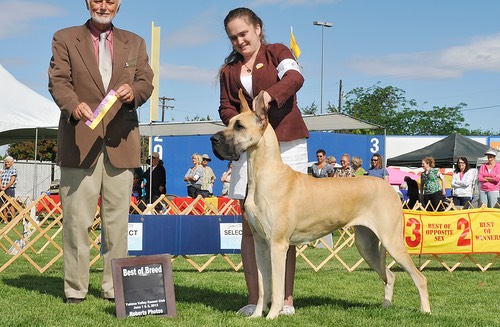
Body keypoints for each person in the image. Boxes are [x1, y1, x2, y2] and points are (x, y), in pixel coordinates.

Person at [48, 0, 154, 304]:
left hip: (122, 143)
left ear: (119, 4)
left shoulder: (136, 42)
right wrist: (72, 105)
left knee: (118, 225)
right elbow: (58, 81)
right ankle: (76, 290)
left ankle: (113, 289)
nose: (103, 5)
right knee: (76, 223)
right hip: (79, 142)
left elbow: (146, 80)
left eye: (110, 0)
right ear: (87, 2)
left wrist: (134, 92)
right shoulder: (64, 37)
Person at [218, 7, 309, 316]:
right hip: (249, 149)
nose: (240, 40)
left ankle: (285, 300)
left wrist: (270, 96)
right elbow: (225, 108)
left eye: (244, 33)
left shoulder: (277, 52)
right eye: (233, 37)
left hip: (287, 142)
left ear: (258, 28)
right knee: (251, 227)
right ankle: (255, 299)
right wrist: (240, 122)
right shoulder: (229, 70)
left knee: (285, 225)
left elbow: (295, 77)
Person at [0, 156, 17, 221]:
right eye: (5, 162)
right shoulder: (3, 171)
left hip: (10, 189)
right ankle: (5, 220)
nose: (6, 163)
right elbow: (0, 179)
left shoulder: (13, 171)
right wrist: (1, 187)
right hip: (2, 188)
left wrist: (5, 187)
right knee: (2, 205)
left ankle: (14, 220)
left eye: (8, 162)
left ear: (12, 163)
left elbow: (12, 181)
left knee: (10, 204)